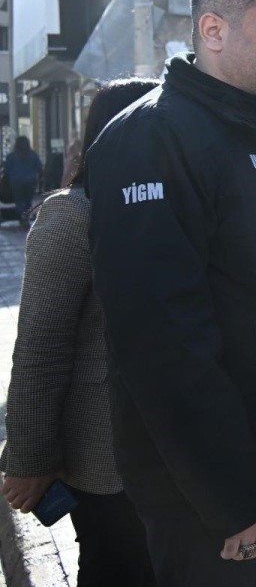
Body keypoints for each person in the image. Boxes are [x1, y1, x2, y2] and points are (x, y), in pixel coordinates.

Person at [86, 0, 256, 586]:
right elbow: (164, 345)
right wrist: (234, 496)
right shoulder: (152, 137)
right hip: (212, 487)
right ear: (213, 30)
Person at [1, 77, 159, 587]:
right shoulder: (75, 213)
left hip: (169, 453)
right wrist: (30, 458)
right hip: (102, 457)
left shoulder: (172, 210)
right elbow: (40, 348)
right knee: (114, 568)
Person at [4, 136, 43, 228]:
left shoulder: (12, 156)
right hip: (31, 181)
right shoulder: (33, 155)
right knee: (28, 200)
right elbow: (39, 167)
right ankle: (26, 215)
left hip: (16, 181)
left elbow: (6, 169)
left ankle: (22, 216)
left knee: (19, 200)